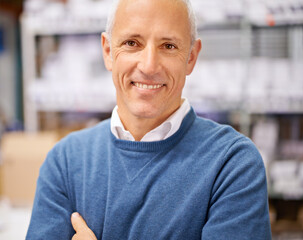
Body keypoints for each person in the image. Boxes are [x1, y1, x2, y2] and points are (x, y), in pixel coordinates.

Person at [26, 0, 272, 239]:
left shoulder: (232, 164)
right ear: (109, 51)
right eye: (132, 43)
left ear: (191, 57)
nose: (149, 65)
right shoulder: (66, 162)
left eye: (168, 46)